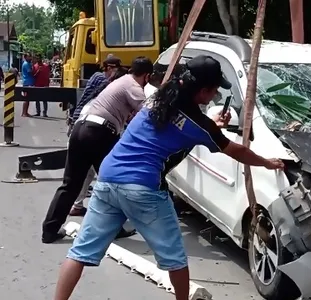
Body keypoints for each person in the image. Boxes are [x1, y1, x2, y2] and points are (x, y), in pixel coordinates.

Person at [53, 55, 284, 300]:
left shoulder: (159, 99)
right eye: (215, 90)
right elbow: (236, 150)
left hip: (108, 178)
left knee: (79, 253)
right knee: (175, 259)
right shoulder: (200, 125)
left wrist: (213, 125)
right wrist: (268, 163)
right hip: (142, 188)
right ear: (204, 91)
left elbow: (174, 127)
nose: (215, 95)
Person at [41, 57, 152, 244]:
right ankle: (113, 229)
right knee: (114, 181)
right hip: (99, 134)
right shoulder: (133, 86)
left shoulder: (120, 82)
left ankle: (49, 230)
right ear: (147, 76)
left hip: (81, 128)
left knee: (70, 185)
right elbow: (149, 115)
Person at [66, 56, 123, 217]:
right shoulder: (103, 80)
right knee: (99, 172)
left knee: (85, 171)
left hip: (80, 123)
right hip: (90, 127)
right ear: (111, 68)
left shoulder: (98, 78)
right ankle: (106, 212)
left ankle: (77, 205)